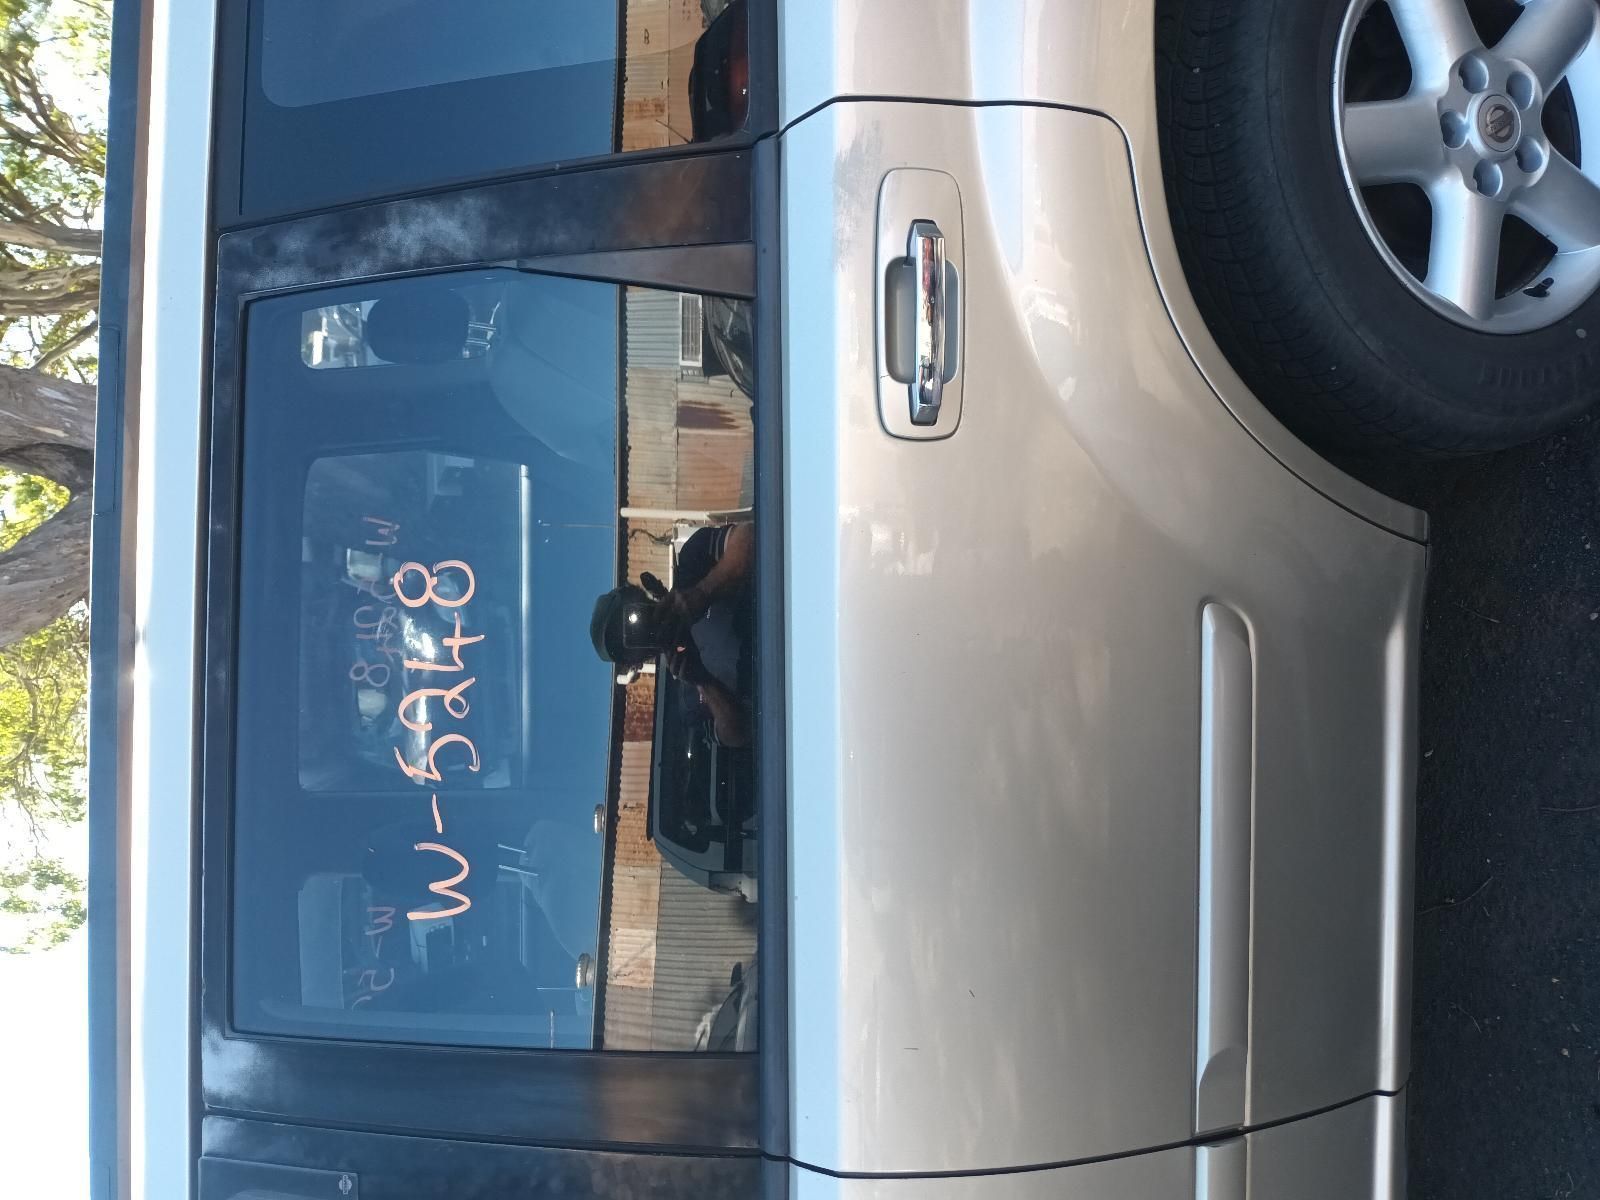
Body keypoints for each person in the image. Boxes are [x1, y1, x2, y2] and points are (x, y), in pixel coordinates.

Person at [590, 522, 753, 748]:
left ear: (639, 593)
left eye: (630, 616)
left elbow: (753, 536)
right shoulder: (690, 699)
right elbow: (743, 733)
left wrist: (704, 591)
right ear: (635, 662)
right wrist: (703, 681)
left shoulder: (692, 562)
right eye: (629, 643)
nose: (640, 631)